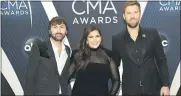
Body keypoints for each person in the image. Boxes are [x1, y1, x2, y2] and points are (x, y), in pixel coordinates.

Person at [112, 1, 170, 96]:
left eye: (135, 12)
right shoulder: (117, 39)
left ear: (140, 14)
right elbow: (114, 65)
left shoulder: (152, 34)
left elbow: (161, 60)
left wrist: (165, 85)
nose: (132, 16)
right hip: (130, 91)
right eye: (129, 13)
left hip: (153, 89)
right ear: (124, 16)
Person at [68, 25, 120, 96]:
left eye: (97, 36)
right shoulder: (78, 55)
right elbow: (67, 76)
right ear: (86, 40)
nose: (94, 40)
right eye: (91, 37)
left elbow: (116, 80)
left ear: (101, 38)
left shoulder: (109, 55)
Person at [24, 16, 71, 95]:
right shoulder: (40, 47)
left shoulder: (67, 50)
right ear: (50, 31)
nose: (59, 31)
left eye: (62, 27)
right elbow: (30, 75)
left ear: (66, 31)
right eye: (55, 27)